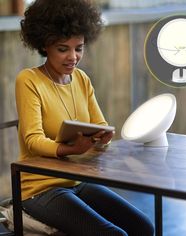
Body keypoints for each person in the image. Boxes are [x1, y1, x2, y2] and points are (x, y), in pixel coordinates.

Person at [15, 0, 154, 235]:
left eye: (78, 48)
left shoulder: (81, 79)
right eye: (63, 49)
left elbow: (99, 125)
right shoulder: (28, 80)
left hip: (77, 181)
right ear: (44, 45)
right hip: (40, 188)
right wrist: (72, 149)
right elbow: (33, 140)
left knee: (144, 227)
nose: (73, 57)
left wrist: (103, 136)